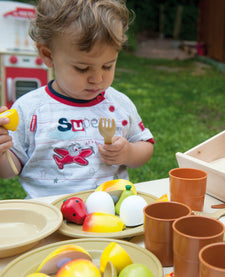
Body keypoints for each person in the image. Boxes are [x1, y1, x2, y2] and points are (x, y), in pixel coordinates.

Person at [0, 0, 154, 198]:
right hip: (50, 215)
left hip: (108, 214)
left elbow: (145, 145)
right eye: (82, 68)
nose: (97, 79)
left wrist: (129, 153)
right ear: (48, 55)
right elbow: (9, 170)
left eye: (107, 66)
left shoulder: (119, 105)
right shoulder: (30, 110)